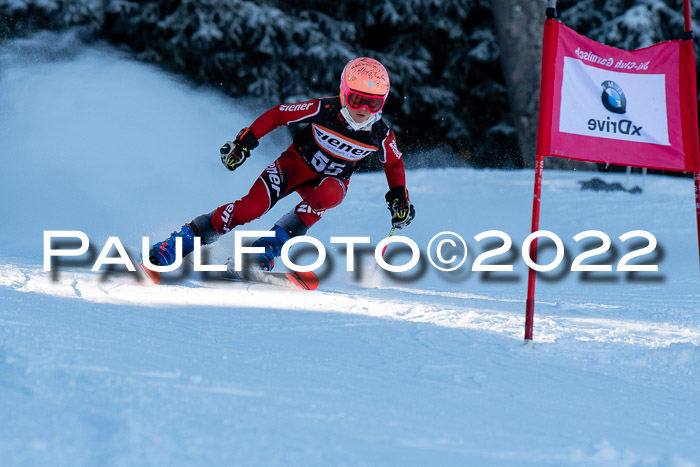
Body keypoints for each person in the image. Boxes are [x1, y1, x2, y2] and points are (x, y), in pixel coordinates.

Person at [148, 57, 415, 272]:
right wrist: (244, 142)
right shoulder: (325, 110)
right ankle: (180, 241)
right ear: (344, 94)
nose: (364, 110)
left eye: (373, 103)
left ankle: (266, 249)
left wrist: (399, 199)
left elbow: (393, 165)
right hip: (293, 167)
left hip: (328, 183)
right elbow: (279, 115)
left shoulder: (380, 134)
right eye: (357, 100)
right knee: (251, 208)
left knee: (330, 192)